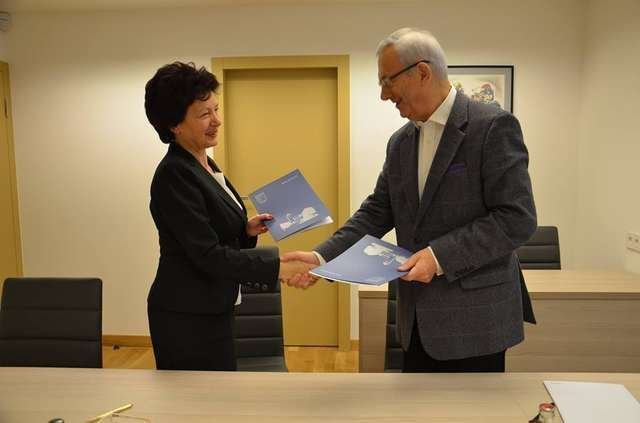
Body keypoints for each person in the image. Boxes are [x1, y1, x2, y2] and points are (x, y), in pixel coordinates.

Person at [284, 28, 537, 373]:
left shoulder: (492, 127)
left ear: (422, 72)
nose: (383, 95)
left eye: (387, 81)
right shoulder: (400, 142)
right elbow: (377, 211)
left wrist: (438, 256)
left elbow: (516, 218)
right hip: (415, 319)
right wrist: (321, 257)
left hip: (476, 321)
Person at [144, 62, 310, 371]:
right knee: (198, 397)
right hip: (186, 316)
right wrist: (279, 268)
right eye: (204, 114)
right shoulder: (174, 175)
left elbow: (213, 232)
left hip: (213, 306)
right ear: (174, 125)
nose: (217, 121)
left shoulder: (205, 164)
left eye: (216, 110)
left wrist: (246, 230)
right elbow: (207, 254)